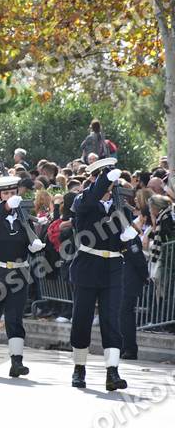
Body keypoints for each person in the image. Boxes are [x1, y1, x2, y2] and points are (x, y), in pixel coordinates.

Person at [69, 157, 136, 391]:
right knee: (82, 319)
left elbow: (126, 238)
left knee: (111, 321)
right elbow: (90, 198)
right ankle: (79, 368)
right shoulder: (83, 200)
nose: (111, 185)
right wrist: (104, 180)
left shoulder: (121, 207)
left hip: (113, 268)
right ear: (96, 179)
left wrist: (128, 239)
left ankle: (112, 371)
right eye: (107, 180)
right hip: (88, 265)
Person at [0, 176, 45, 377]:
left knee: (15, 317)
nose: (9, 196)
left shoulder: (23, 216)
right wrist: (6, 206)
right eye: (5, 193)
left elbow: (28, 237)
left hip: (19, 272)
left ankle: (17, 361)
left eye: (12, 193)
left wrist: (33, 245)